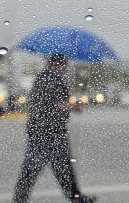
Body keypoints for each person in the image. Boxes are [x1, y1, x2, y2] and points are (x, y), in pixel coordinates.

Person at [13, 54, 96, 203]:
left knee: (50, 166)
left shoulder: (41, 78)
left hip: (39, 129)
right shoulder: (55, 81)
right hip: (51, 131)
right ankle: (75, 197)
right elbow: (57, 105)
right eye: (65, 64)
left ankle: (20, 199)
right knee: (46, 166)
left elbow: (45, 104)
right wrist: (75, 106)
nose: (67, 67)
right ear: (60, 65)